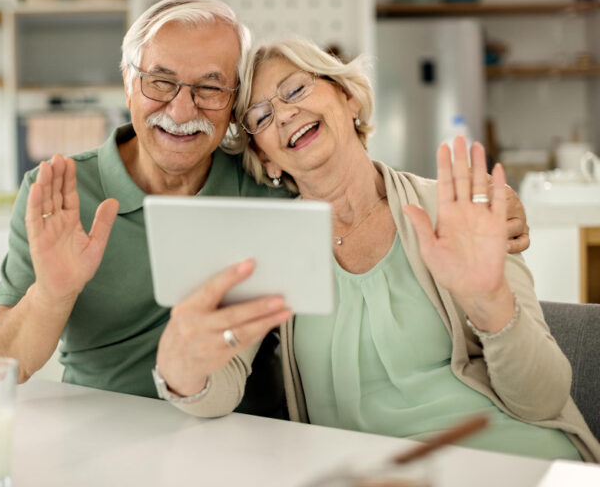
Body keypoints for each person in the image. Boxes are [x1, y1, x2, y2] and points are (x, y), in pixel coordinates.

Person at [0, 0, 529, 419]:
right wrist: (52, 294)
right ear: (129, 83)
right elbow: (7, 364)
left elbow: (346, 174)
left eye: (210, 88)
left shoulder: (266, 187)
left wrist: (487, 203)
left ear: (232, 108)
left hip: (244, 433)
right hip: (103, 429)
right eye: (161, 81)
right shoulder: (58, 192)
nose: (181, 108)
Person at [155, 37, 600, 462]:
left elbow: (543, 399)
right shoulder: (273, 245)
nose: (286, 113)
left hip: (510, 456)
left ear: (349, 97)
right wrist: (178, 367)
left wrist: (490, 303)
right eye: (262, 117)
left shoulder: (456, 209)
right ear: (266, 157)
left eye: (296, 88)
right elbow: (218, 390)